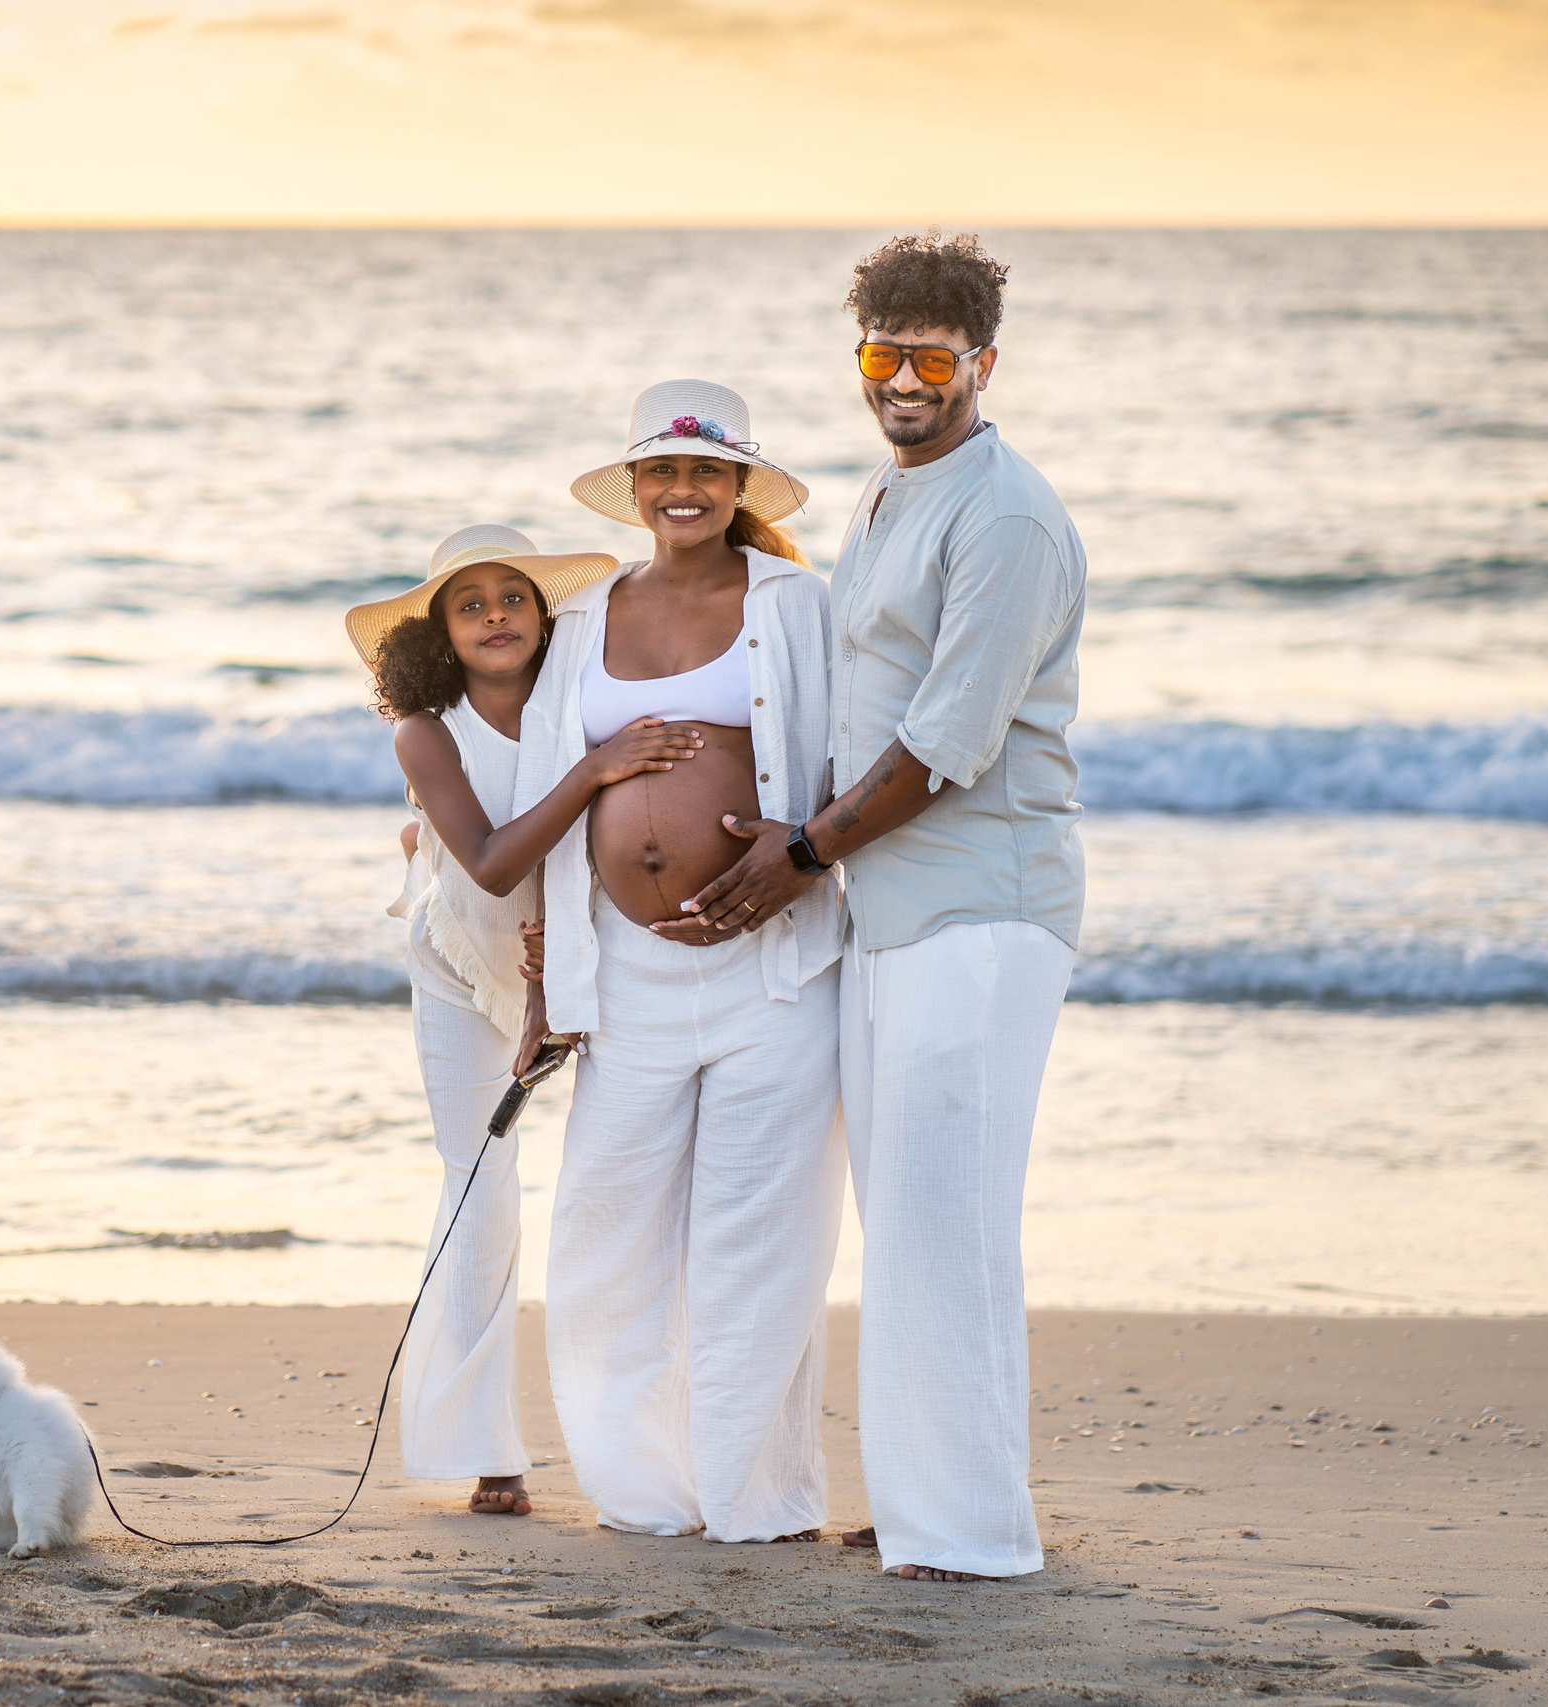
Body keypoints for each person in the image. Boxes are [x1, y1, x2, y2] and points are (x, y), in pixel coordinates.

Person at [673, 233, 1088, 1581]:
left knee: (949, 1219)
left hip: (980, 909)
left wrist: (798, 851)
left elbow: (943, 744)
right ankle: (923, 1498)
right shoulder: (883, 496)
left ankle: (969, 1532)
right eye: (879, 353)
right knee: (906, 1216)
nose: (901, 379)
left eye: (929, 357)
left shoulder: (1007, 516)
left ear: (981, 364)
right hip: (887, 912)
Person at [509, 380, 847, 1545]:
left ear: (739, 487)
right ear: (637, 489)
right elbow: (544, 788)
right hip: (626, 975)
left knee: (760, 1238)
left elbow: (867, 755)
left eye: (707, 472)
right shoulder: (588, 615)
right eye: (663, 472)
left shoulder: (797, 604)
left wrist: (798, 856)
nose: (684, 490)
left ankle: (755, 1500)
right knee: (606, 1233)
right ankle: (643, 1490)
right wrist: (541, 975)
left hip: (773, 969)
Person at [349, 523, 706, 1517]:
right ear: (440, 633)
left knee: (617, 1183)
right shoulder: (426, 729)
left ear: (544, 617)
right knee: (479, 1183)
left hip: (579, 956)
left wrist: (558, 985)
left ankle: (651, 1424)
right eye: (470, 605)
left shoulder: (581, 705)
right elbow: (496, 861)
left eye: (513, 598)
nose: (495, 617)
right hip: (461, 962)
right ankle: (484, 1448)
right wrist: (594, 772)